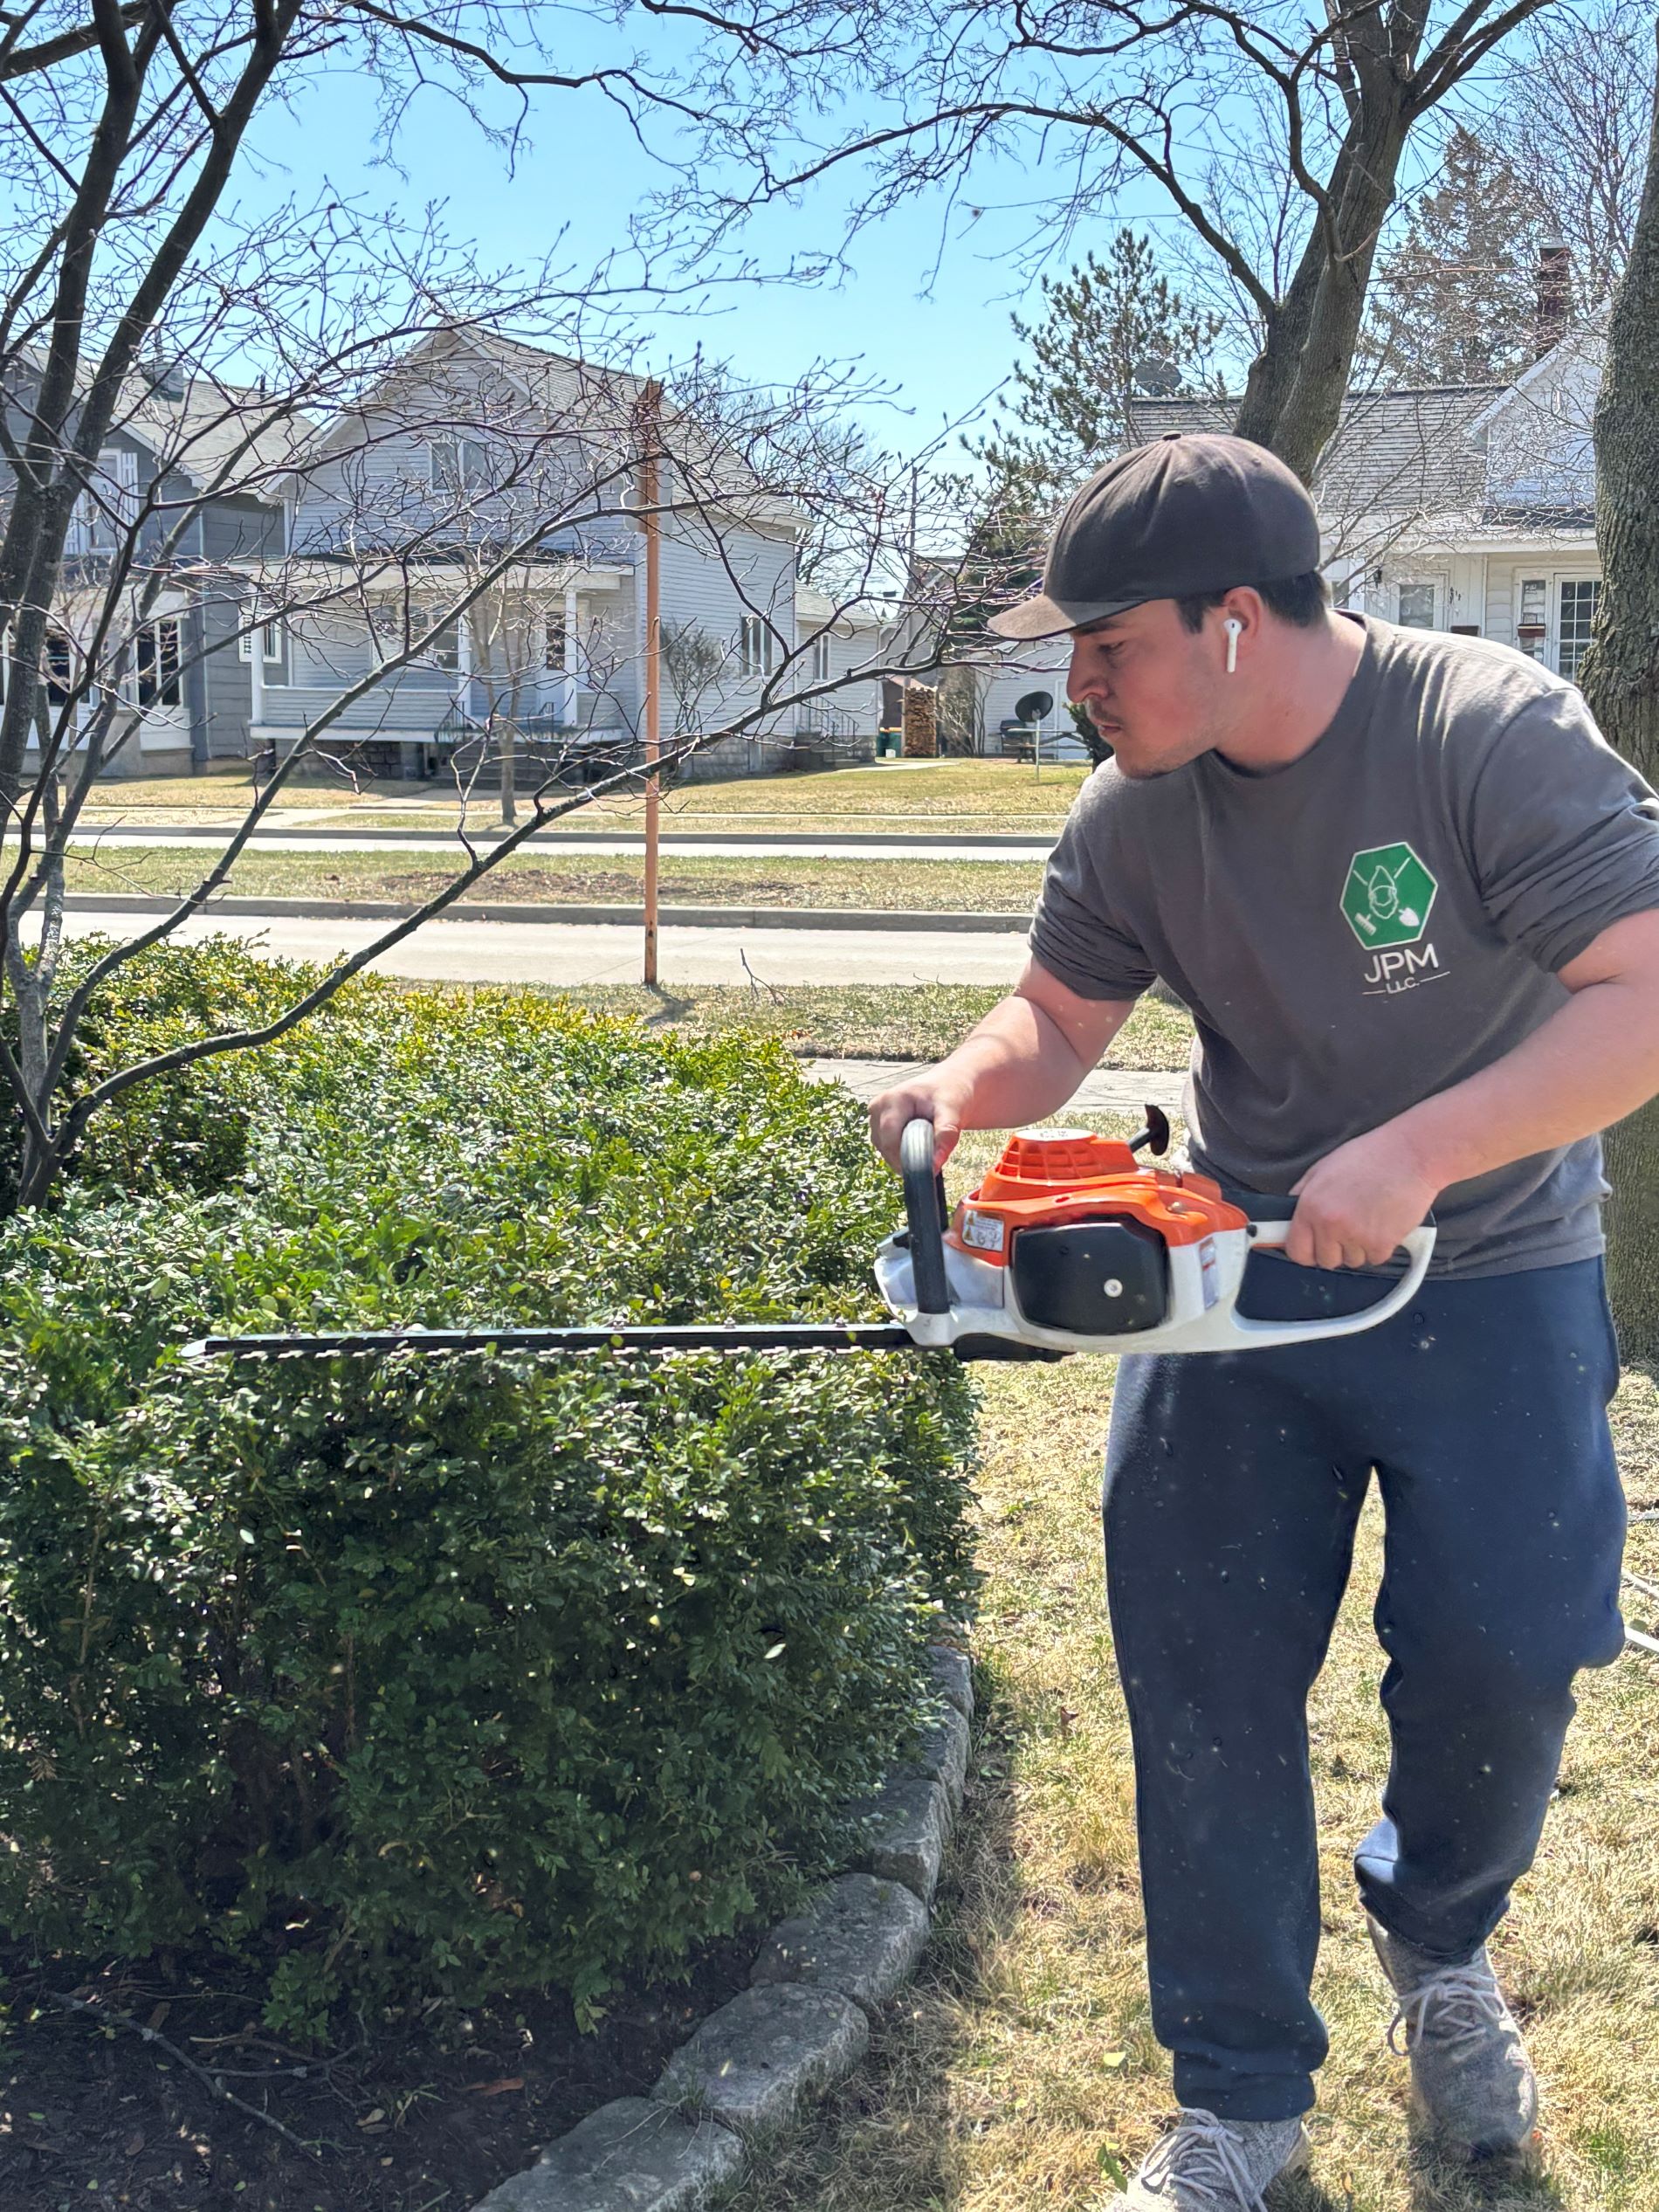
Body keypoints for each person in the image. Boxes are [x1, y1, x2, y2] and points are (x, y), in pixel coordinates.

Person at [869, 433, 1659, 2209]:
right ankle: (1237, 2095)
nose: (1074, 682)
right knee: (1202, 1680)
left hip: (1495, 1268)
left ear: (1235, 621)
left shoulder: (1483, 732)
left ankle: (1435, 1939)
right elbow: (1055, 1016)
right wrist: (960, 1081)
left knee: (1511, 1654)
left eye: (1106, 642)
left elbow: (1644, 991)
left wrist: (1419, 1150)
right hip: (1240, 1286)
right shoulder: (1134, 807)